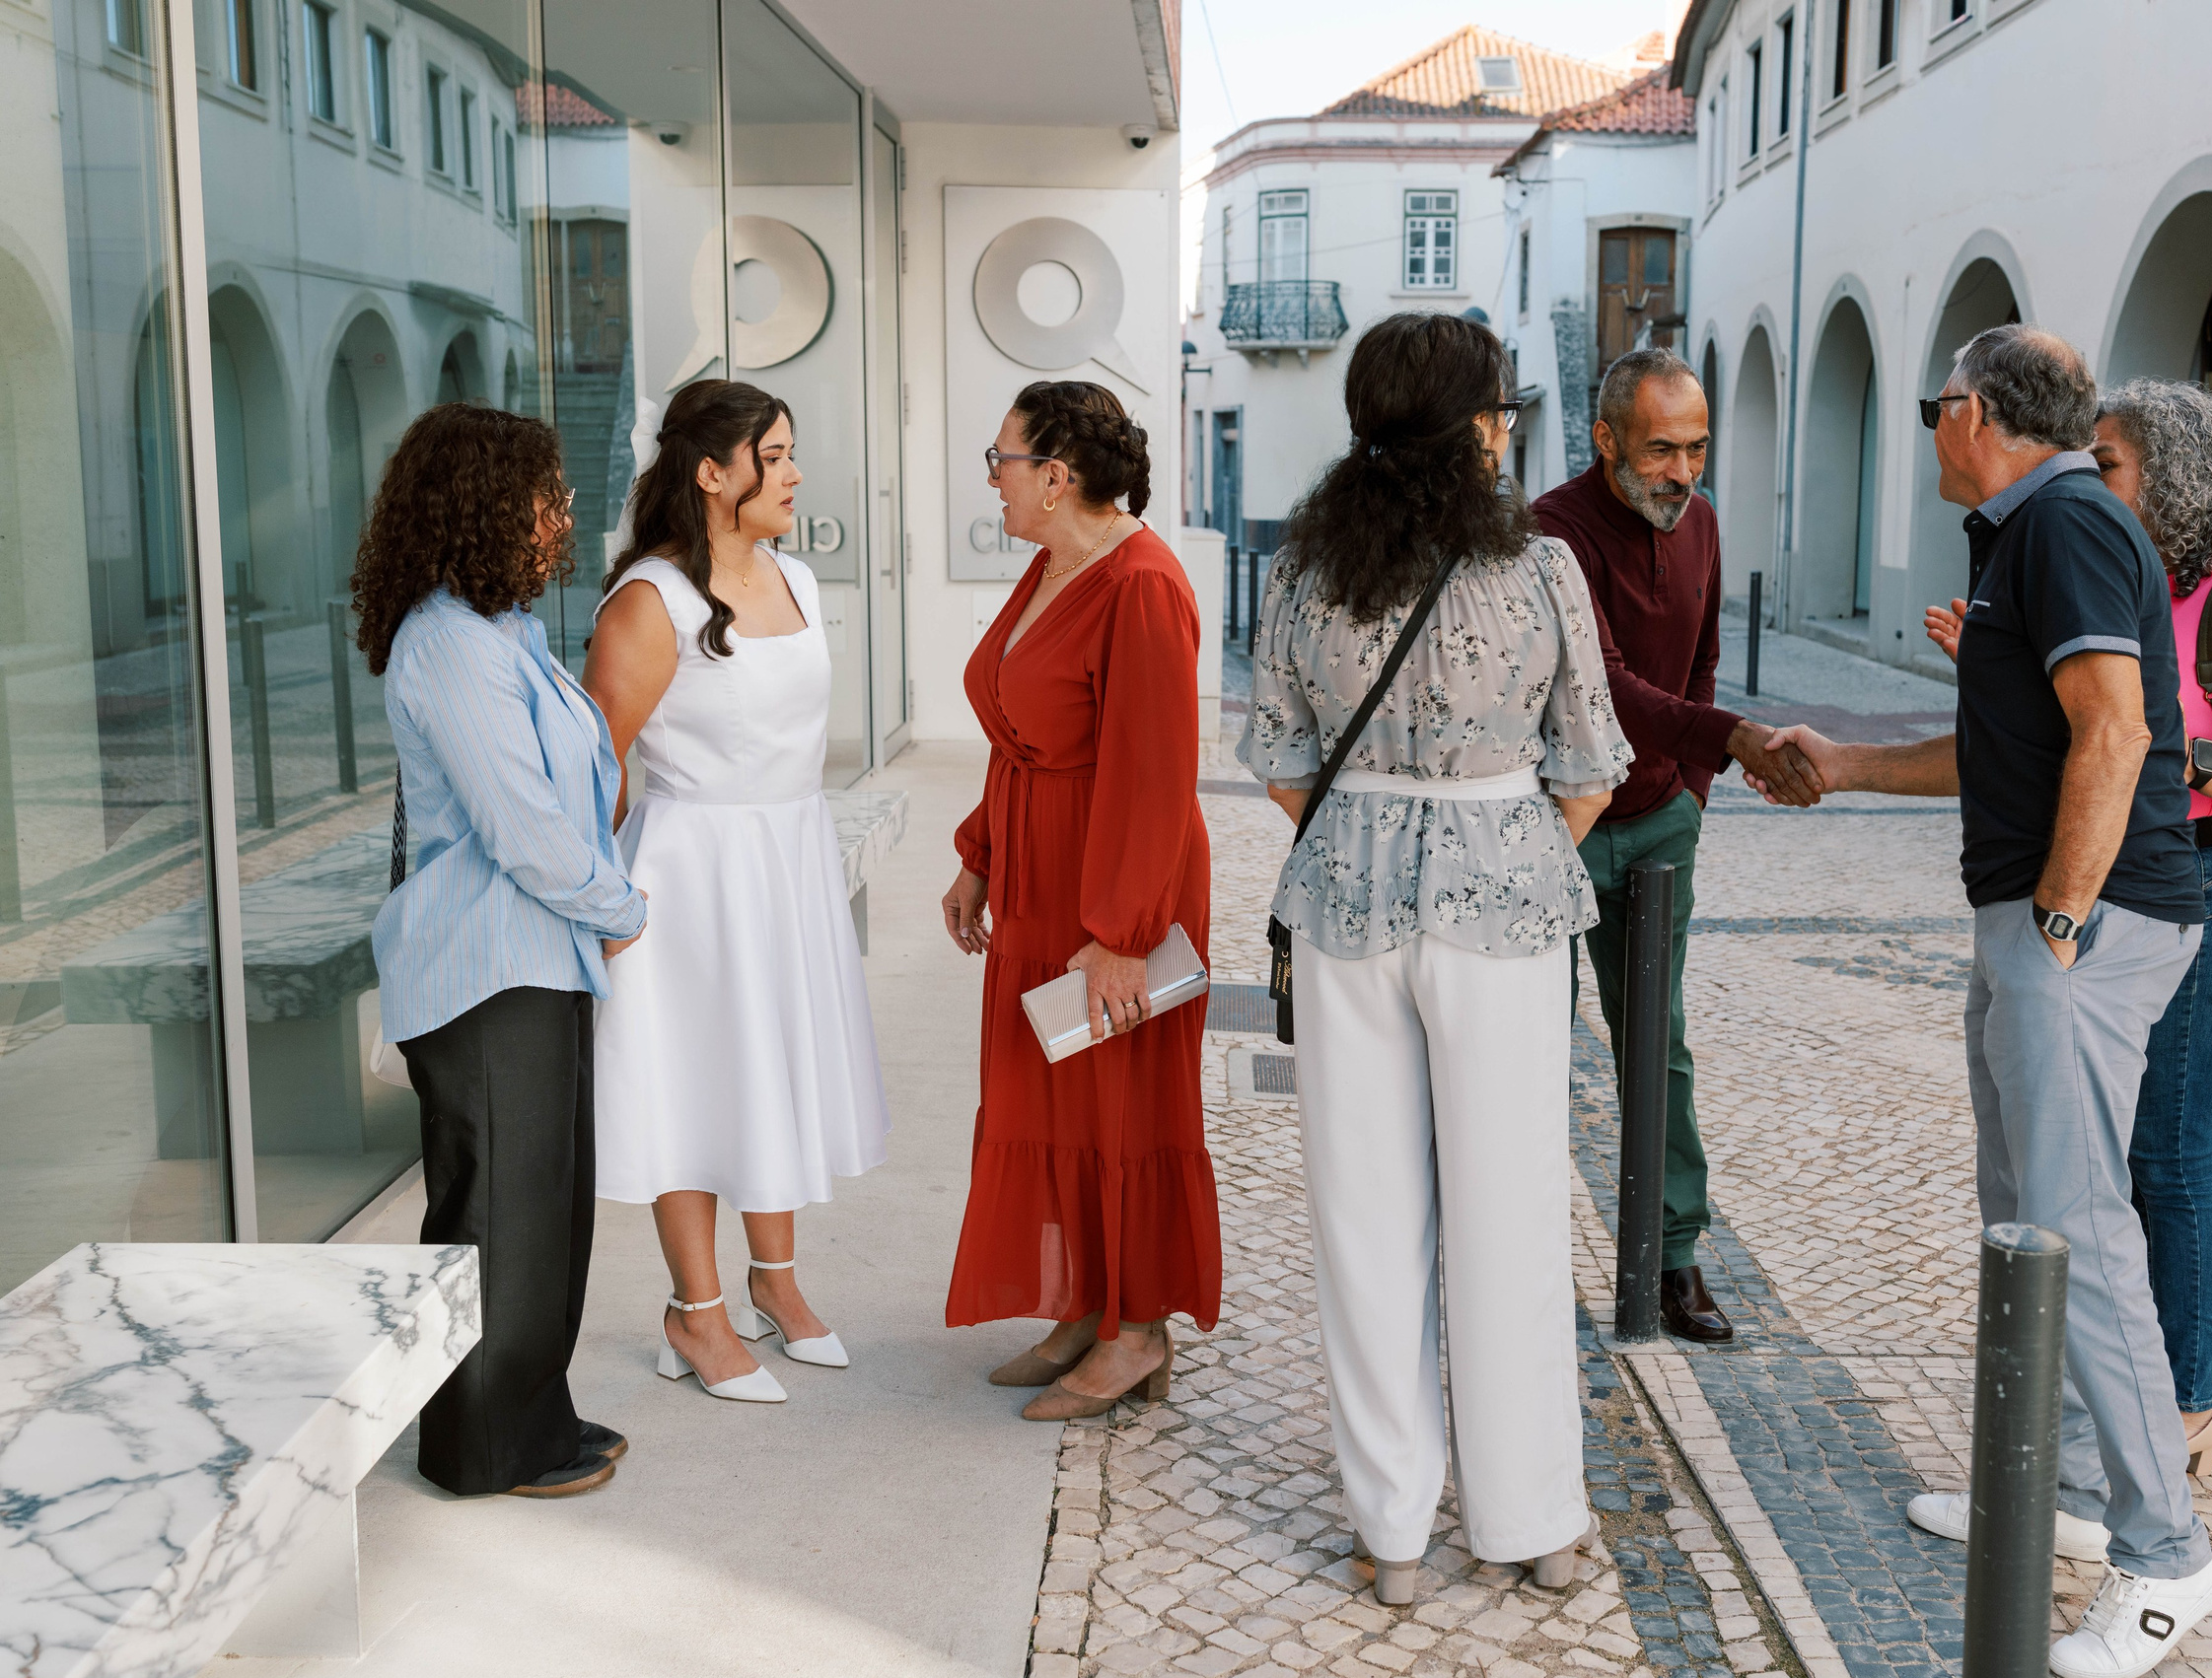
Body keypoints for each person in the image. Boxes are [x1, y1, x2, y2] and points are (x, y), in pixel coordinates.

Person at [1749, 326, 2212, 1678]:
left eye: (1928, 411)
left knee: (2078, 1232)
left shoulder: (2069, 522)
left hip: (2084, 926)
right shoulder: (2026, 533)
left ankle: (2166, 1556)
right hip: (2041, 920)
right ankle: (2059, 1493)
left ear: (1974, 411)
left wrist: (2062, 924)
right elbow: (2004, 745)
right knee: (2027, 1221)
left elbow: (2119, 732)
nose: (1929, 435)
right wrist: (1841, 764)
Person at [1242, 312, 1632, 1607]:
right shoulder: (1541, 568)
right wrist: (1493, 828)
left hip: (1347, 896)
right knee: (1510, 1211)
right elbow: (1588, 766)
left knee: (1364, 1217)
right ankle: (1528, 1522)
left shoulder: (1304, 565)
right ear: (1473, 425)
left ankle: (1390, 1531)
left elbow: (1281, 757)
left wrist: (1373, 828)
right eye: (1500, 406)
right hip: (1502, 902)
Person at [1926, 380, 2212, 1476]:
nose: (2083, 474)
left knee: (2163, 1152)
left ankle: (2185, 1408)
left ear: (2177, 477)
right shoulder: (2104, 574)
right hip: (2121, 887)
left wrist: (2177, 754)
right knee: (2093, 1160)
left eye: (2105, 461)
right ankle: (2092, 1438)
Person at [356, 402, 646, 1500]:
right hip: (489, 968)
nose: (560, 513)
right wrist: (618, 902)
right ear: (483, 504)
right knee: (497, 1222)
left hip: (533, 957)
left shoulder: (502, 634)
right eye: (545, 494)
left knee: (539, 1213)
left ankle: (526, 1414)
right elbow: (522, 825)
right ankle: (483, 1446)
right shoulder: (448, 645)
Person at [583, 380, 892, 1407]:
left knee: (775, 1069)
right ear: (714, 472)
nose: (796, 472)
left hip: (786, 857)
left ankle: (777, 1284)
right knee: (694, 1082)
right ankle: (696, 1311)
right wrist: (607, 906)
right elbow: (599, 768)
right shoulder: (649, 601)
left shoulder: (795, 574)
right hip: (688, 876)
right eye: (778, 453)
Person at [1532, 347, 1821, 1344]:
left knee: (1659, 1045)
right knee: (1527, 1042)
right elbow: (1599, 682)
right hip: (1552, 829)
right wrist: (1729, 740)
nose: (1682, 471)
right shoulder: (1550, 534)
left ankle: (1672, 1258)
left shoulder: (1696, 524)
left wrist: (1691, 792)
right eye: (1660, 449)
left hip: (1658, 823)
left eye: (1696, 448)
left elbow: (1695, 664)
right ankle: (1518, 1253)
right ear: (1606, 438)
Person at [941, 381, 1217, 1421]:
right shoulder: (1051, 565)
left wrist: (1118, 934)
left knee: (1122, 1106)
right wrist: (981, 854)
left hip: (1115, 876)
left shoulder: (1141, 583)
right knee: (1047, 1097)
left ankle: (1137, 1328)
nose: (993, 478)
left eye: (1001, 459)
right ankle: (1083, 1304)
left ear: (1056, 475)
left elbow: (1154, 775)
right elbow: (1020, 733)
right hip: (1041, 868)